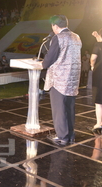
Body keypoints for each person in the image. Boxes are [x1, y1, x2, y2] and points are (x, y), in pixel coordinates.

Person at [42, 15, 82, 146]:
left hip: (59, 79)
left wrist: (43, 63)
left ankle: (62, 137)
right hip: (73, 79)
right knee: (69, 108)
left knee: (59, 109)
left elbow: (50, 58)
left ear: (55, 26)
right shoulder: (76, 37)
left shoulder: (58, 37)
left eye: (52, 26)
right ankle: (70, 135)